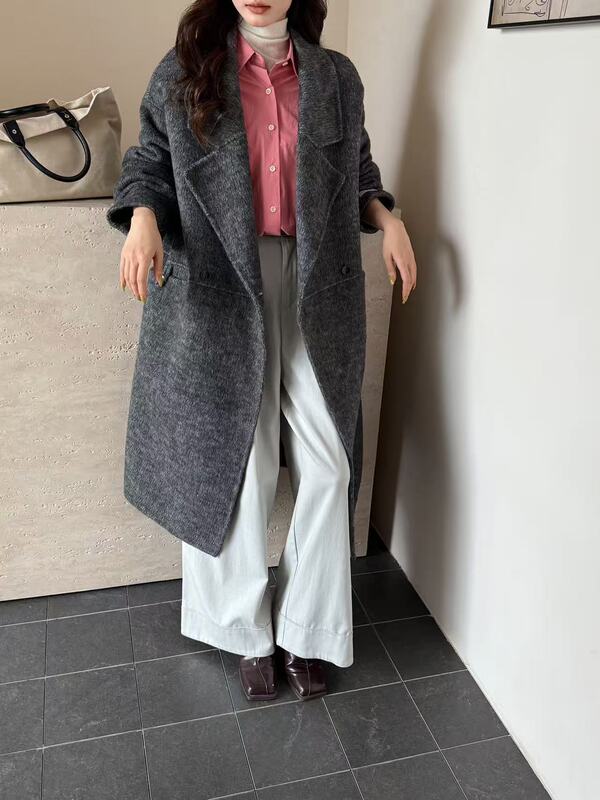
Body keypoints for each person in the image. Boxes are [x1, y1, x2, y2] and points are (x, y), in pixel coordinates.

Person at [107, 0, 417, 702]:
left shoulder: (334, 76)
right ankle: (242, 630)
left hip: (315, 282)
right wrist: (144, 218)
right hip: (224, 282)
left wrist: (387, 217)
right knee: (238, 461)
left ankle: (308, 630)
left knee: (330, 463)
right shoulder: (187, 70)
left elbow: (358, 169)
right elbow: (150, 161)